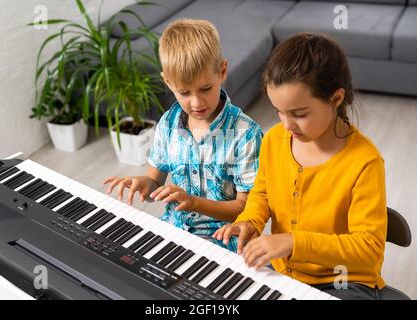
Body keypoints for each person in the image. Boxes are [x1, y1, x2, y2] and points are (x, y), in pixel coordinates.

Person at [213, 33, 387, 299]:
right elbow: (262, 194)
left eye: (299, 114)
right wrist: (249, 222)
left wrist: (295, 242)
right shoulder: (274, 140)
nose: (286, 125)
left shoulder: (365, 162)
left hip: (344, 280)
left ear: (336, 99)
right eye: (278, 112)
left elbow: (368, 249)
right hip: (285, 272)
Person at [103, 19, 263, 252]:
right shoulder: (168, 123)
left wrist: (194, 203)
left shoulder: (246, 134)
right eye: (184, 92)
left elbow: (247, 208)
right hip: (174, 232)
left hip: (225, 243)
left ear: (223, 71)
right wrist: (142, 184)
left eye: (206, 88)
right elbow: (154, 181)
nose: (196, 102)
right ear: (168, 82)